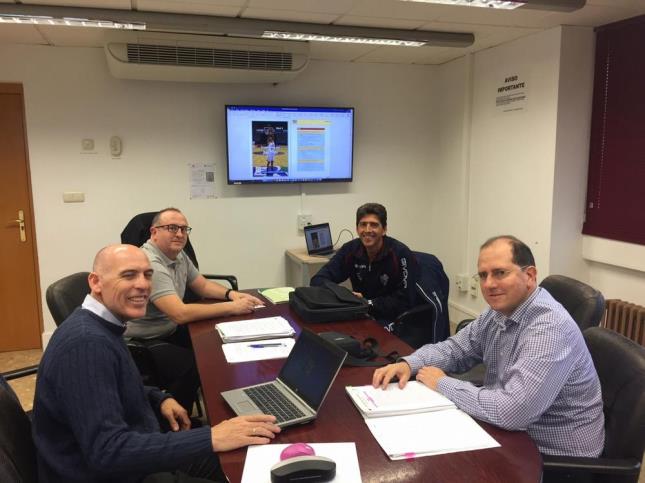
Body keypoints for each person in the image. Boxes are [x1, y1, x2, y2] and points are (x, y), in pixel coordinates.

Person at [32, 245, 280, 483]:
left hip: (138, 452)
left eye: (147, 275)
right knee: (240, 460)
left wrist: (158, 398)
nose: (143, 285)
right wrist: (211, 436)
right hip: (116, 474)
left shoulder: (103, 325)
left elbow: (114, 386)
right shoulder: (87, 345)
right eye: (128, 275)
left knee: (249, 455)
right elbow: (108, 452)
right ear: (96, 282)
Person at [372, 235, 605, 457]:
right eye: (483, 275)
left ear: (530, 276)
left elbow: (513, 412)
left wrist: (443, 384)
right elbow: (456, 348)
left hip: (551, 454)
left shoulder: (549, 328)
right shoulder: (498, 312)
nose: (489, 284)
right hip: (513, 433)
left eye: (500, 273)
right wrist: (409, 363)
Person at [125, 208, 263, 412]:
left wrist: (231, 295)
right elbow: (179, 313)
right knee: (193, 364)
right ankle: (178, 420)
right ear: (154, 232)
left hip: (168, 328)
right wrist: (232, 308)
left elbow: (202, 285)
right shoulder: (150, 263)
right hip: (143, 340)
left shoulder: (178, 255)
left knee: (215, 344)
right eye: (172, 228)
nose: (179, 234)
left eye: (183, 229)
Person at [310, 203, 417, 326]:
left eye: (374, 225)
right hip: (358, 313)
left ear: (384, 229)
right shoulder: (350, 249)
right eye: (363, 224)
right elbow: (318, 280)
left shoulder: (401, 254)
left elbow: (406, 301)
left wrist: (368, 303)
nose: (367, 230)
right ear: (357, 229)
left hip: (390, 318)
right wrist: (344, 296)